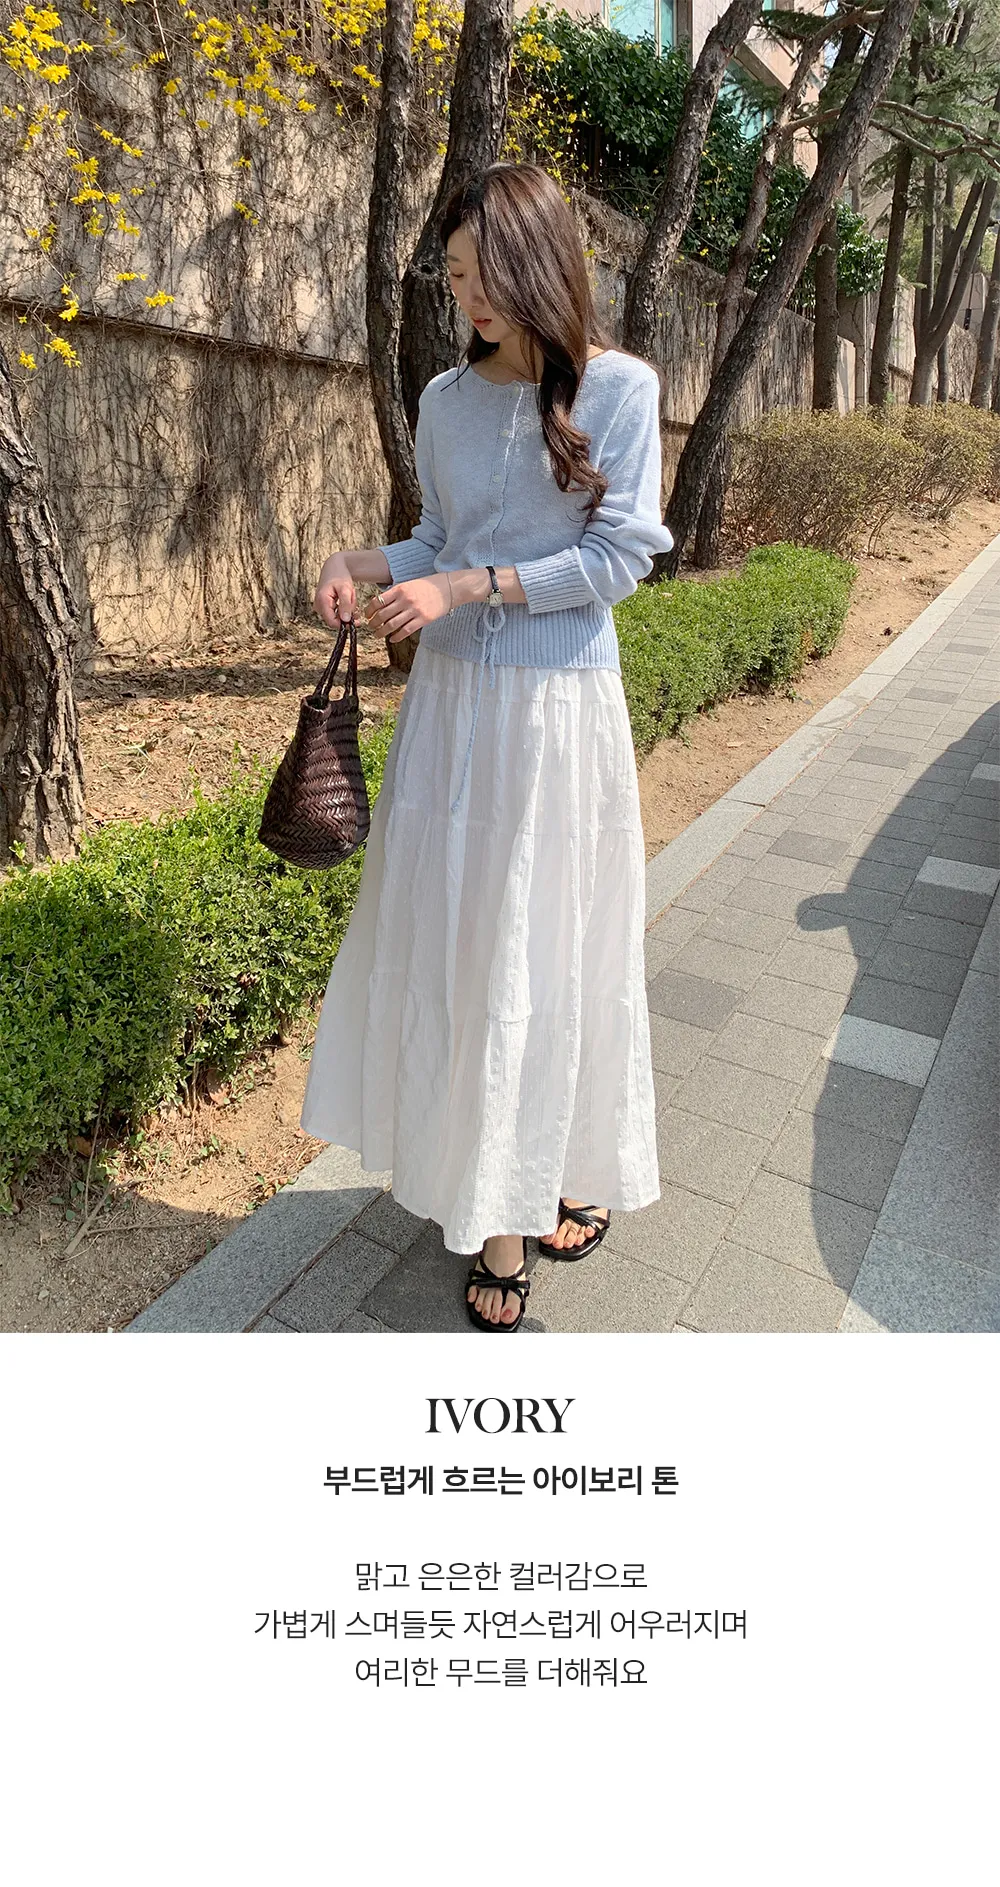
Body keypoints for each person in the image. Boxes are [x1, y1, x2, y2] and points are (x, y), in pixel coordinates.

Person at [300, 162, 674, 1333]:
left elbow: (616, 562)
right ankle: (500, 1217)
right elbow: (436, 538)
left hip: (557, 718)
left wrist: (468, 586)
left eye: (479, 275)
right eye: (453, 277)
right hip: (454, 716)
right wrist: (366, 562)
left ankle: (551, 1166)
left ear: (537, 263)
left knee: (549, 951)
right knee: (470, 951)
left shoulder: (619, 388)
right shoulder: (444, 398)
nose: (464, 298)